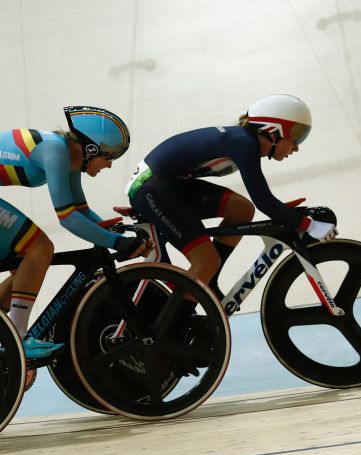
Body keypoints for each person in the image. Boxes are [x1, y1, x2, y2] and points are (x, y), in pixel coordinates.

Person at [0, 105, 149, 359]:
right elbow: (67, 219)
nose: (109, 166)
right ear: (90, 149)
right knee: (40, 248)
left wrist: (114, 233)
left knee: (26, 267)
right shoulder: (55, 151)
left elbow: (81, 210)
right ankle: (19, 336)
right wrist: (116, 242)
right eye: (108, 157)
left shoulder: (68, 156)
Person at [125, 94, 335, 302]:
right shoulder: (243, 144)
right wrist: (308, 224)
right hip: (154, 188)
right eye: (297, 137)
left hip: (165, 184)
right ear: (274, 131)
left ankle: (208, 281)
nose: (297, 146)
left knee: (241, 210)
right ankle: (179, 322)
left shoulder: (242, 140)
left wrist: (283, 212)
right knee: (206, 261)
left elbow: (262, 201)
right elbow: (263, 200)